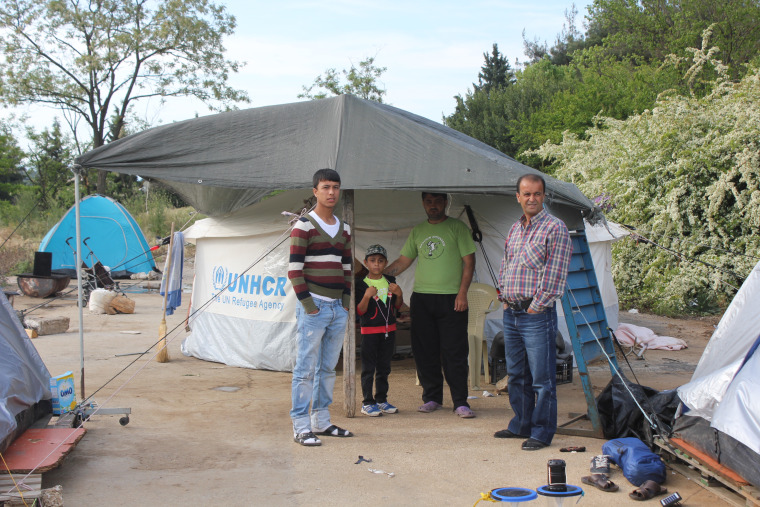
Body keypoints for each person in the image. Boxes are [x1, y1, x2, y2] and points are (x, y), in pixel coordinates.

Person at [494, 173, 572, 451]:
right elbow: (506, 264)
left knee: (542, 379)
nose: (531, 199)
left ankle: (541, 432)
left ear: (544, 196)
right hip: (512, 313)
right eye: (526, 194)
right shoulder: (515, 228)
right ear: (518, 197)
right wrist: (503, 296)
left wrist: (537, 305)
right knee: (516, 375)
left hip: (536, 314)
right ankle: (521, 425)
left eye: (537, 194)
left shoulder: (555, 227)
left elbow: (556, 273)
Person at [385, 192, 476, 418]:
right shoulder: (418, 231)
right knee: (425, 351)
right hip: (422, 298)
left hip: (452, 298)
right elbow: (403, 261)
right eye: (428, 201)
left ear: (445, 202)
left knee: (454, 351)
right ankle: (432, 397)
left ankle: (460, 402)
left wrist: (462, 293)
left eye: (437, 201)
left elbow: (469, 262)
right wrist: (378, 276)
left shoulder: (458, 228)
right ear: (423, 203)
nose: (433, 206)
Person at [287, 169, 353, 446]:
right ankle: (300, 425)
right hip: (315, 306)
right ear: (315, 191)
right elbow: (294, 270)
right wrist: (309, 305)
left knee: (328, 368)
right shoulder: (303, 225)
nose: (331, 192)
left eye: (335, 187)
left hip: (338, 308)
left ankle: (321, 421)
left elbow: (348, 268)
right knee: (305, 368)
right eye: (325, 187)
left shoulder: (345, 228)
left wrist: (346, 306)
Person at [355, 244, 404, 417]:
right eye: (373, 260)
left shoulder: (391, 281)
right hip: (369, 332)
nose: (376, 264)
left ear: (386, 263)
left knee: (384, 368)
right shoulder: (360, 284)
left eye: (380, 261)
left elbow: (397, 307)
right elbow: (359, 311)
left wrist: (399, 294)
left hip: (389, 331)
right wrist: (367, 296)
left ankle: (381, 400)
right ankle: (367, 402)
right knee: (369, 368)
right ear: (365, 262)